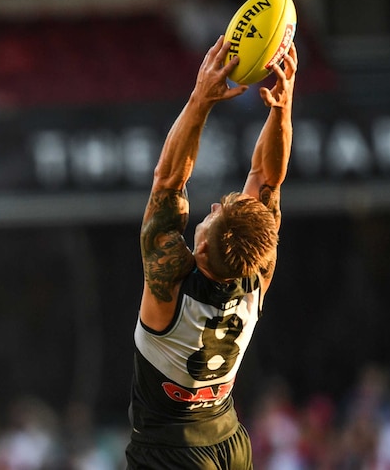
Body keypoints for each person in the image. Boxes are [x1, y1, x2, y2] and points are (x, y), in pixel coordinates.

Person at [126, 36, 297, 469]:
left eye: (217, 210)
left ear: (200, 247)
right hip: (229, 442)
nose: (216, 204)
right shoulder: (258, 275)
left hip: (171, 452)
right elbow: (267, 177)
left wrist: (201, 99)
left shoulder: (169, 286)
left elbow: (167, 182)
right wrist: (282, 109)